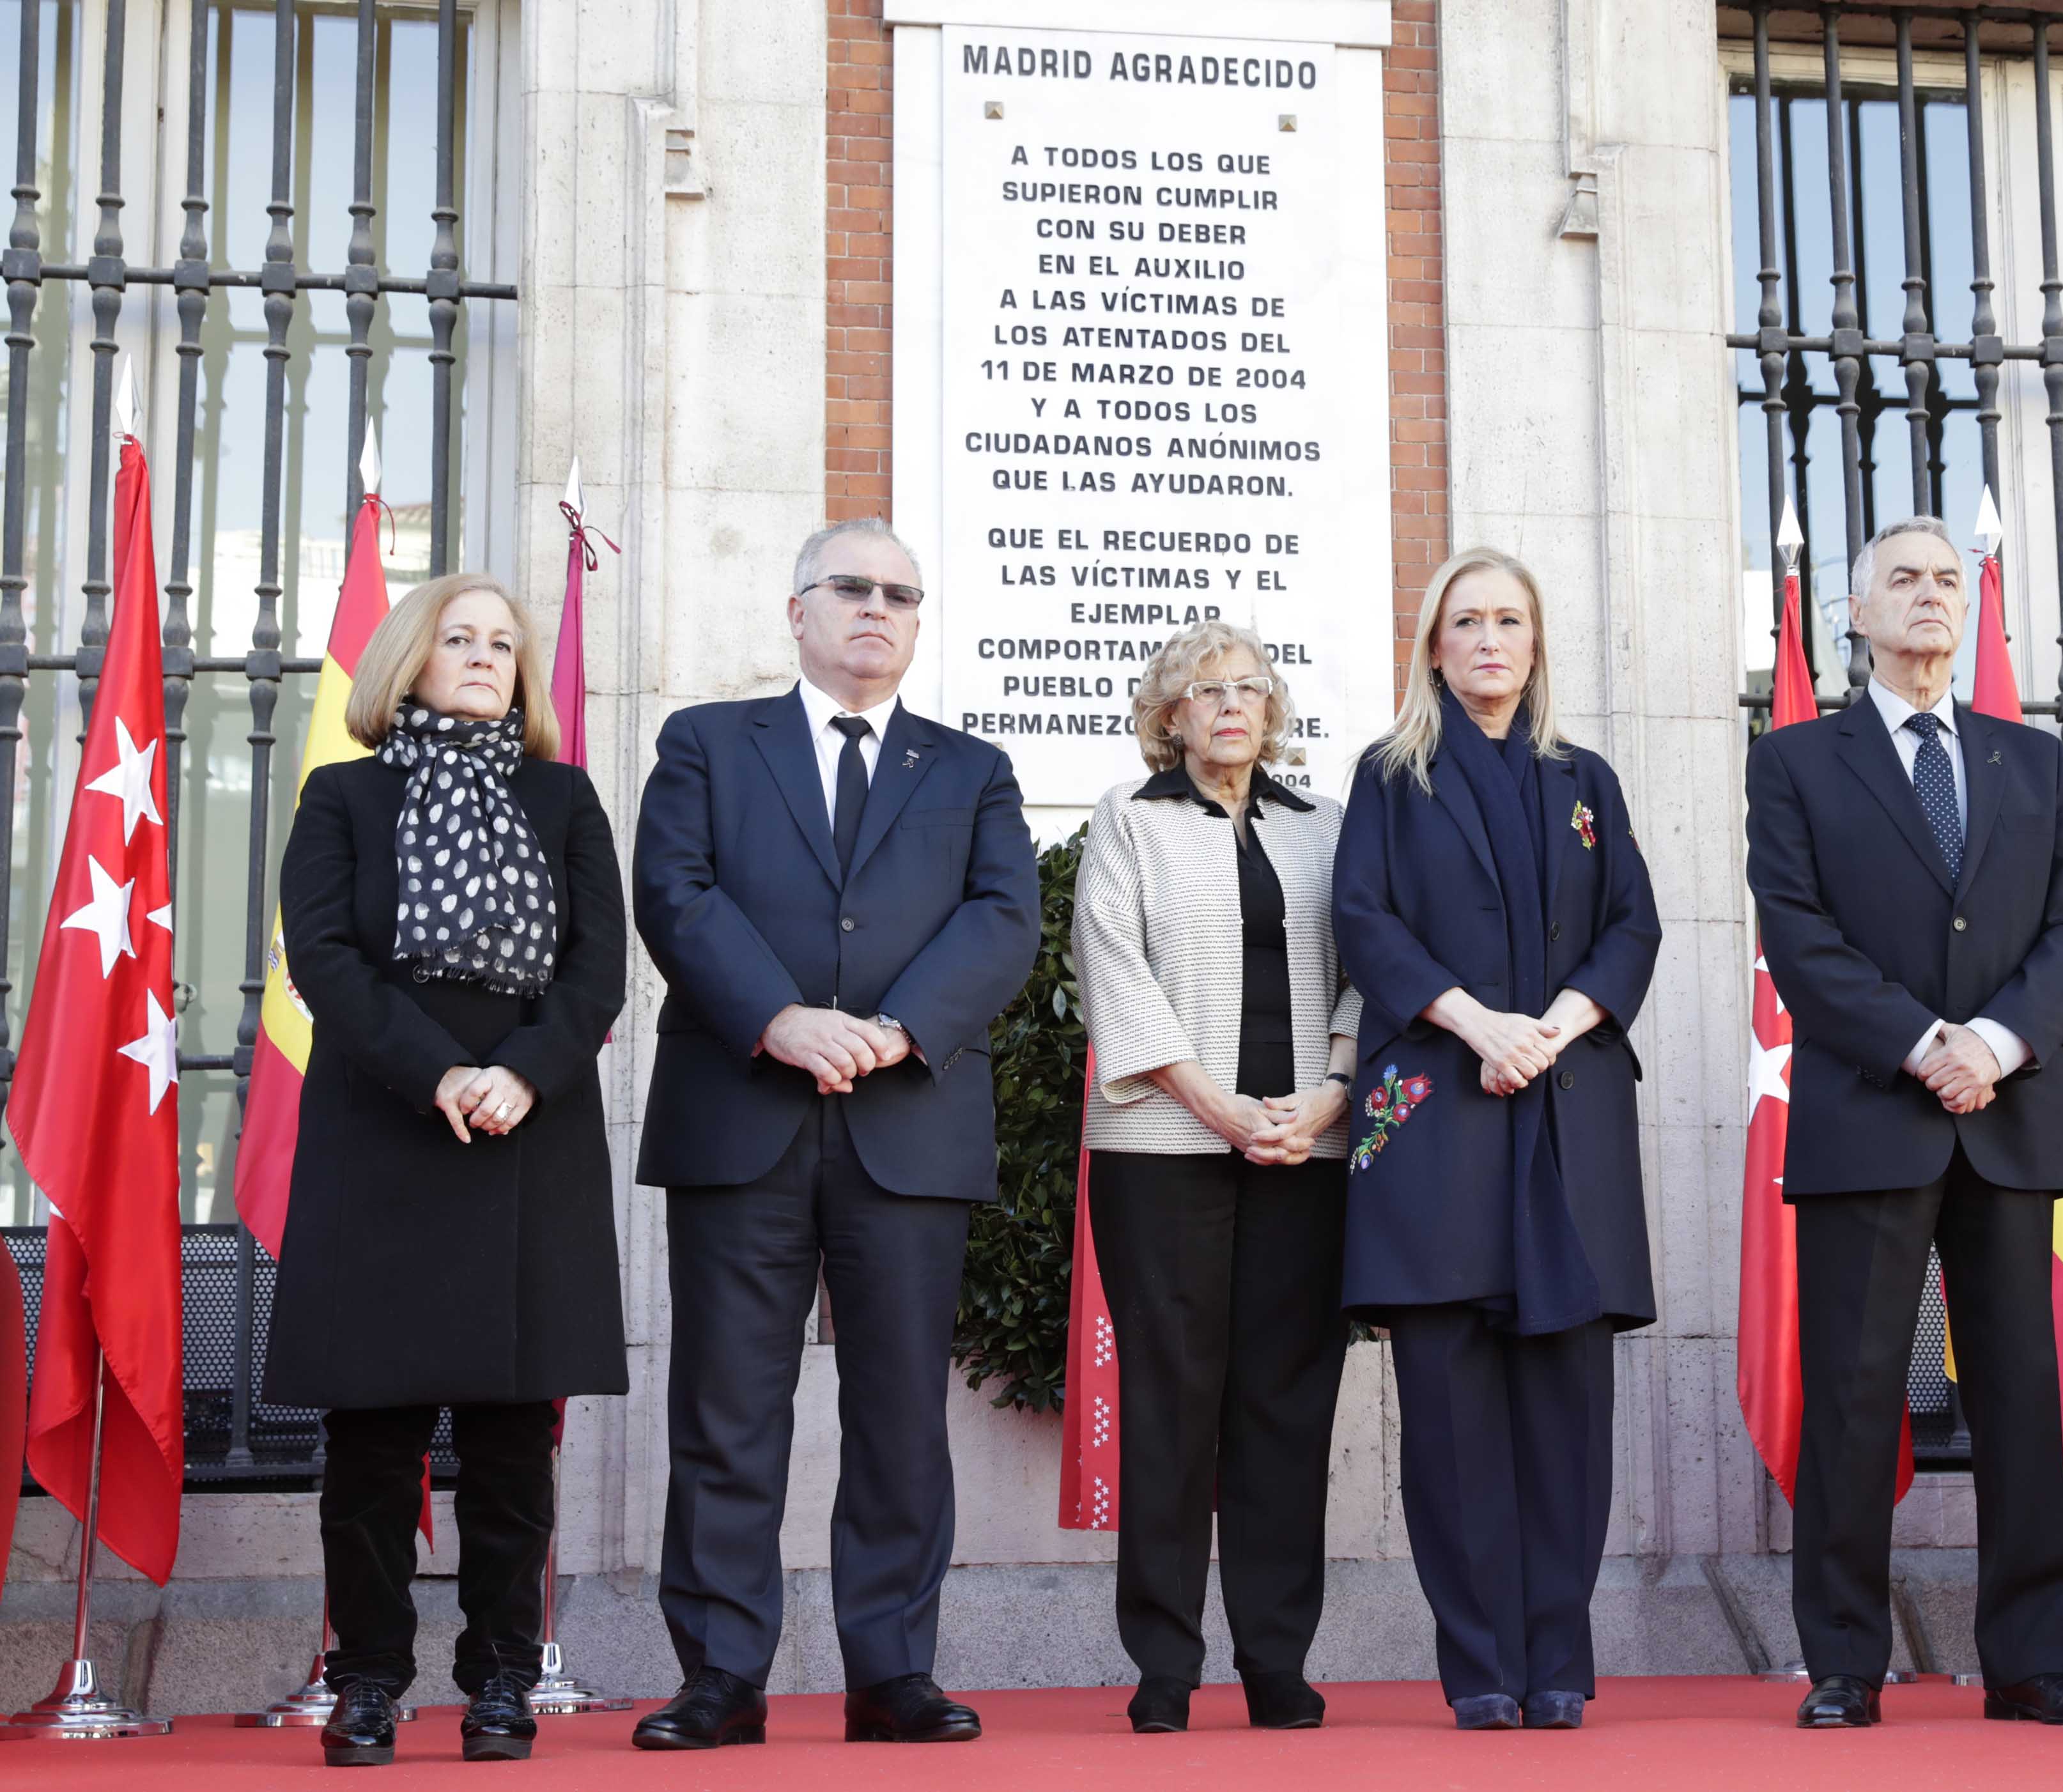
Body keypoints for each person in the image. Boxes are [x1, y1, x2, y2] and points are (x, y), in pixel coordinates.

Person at [630, 518, 1040, 1750]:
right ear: (797, 609)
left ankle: (893, 1674)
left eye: (901, 595)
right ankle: (721, 1676)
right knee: (727, 1409)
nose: (877, 609)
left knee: (902, 1414)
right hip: (740, 1115)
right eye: (852, 587)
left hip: (907, 1125)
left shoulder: (973, 769)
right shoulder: (706, 743)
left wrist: (899, 1030)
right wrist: (779, 1019)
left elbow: (1004, 918)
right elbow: (675, 893)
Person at [1743, 515, 2063, 1731]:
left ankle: (2030, 1663)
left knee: (2019, 1396)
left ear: (1969, 609)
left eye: (1947, 581)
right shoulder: (1797, 761)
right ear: (1856, 614)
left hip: (2009, 1116)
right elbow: (1798, 934)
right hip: (1870, 1112)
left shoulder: (2035, 762)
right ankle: (1844, 1664)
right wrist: (1923, 1046)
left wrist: (1996, 1046)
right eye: (1902, 580)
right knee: (1855, 1399)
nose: (1929, 596)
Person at [261, 571, 628, 1768]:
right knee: (374, 1442)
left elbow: (598, 967)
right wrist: (439, 1074)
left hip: (529, 1130)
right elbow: (323, 955)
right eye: (459, 638)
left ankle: (503, 1679)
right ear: (409, 659)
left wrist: (522, 1072)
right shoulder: (344, 795)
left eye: (502, 644)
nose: (484, 657)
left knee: (515, 1440)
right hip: (384, 1129)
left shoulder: (563, 798)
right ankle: (367, 1681)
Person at [1330, 546, 1660, 1732]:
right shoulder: (1390, 776)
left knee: (1567, 1407)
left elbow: (1633, 924)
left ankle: (1558, 1662)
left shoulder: (1586, 778)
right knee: (1452, 1409)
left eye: (1509, 621)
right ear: (1434, 646)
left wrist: (1553, 1029)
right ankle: (1478, 1667)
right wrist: (1478, 1025)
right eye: (1465, 622)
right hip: (1440, 1109)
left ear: (1535, 642)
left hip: (1566, 1110)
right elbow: (1363, 919)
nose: (1488, 641)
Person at [1072, 621, 1361, 1736]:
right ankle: (1164, 1666)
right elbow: (1113, 968)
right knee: (1171, 1405)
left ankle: (1277, 1660)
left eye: (1247, 687)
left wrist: (1328, 1096)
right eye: (1204, 691)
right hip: (1163, 1153)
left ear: (1271, 710)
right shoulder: (1127, 820)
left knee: (1286, 1405)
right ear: (1171, 716)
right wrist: (1216, 1106)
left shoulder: (1327, 826)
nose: (1230, 704)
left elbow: (1370, 968)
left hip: (1305, 1150)